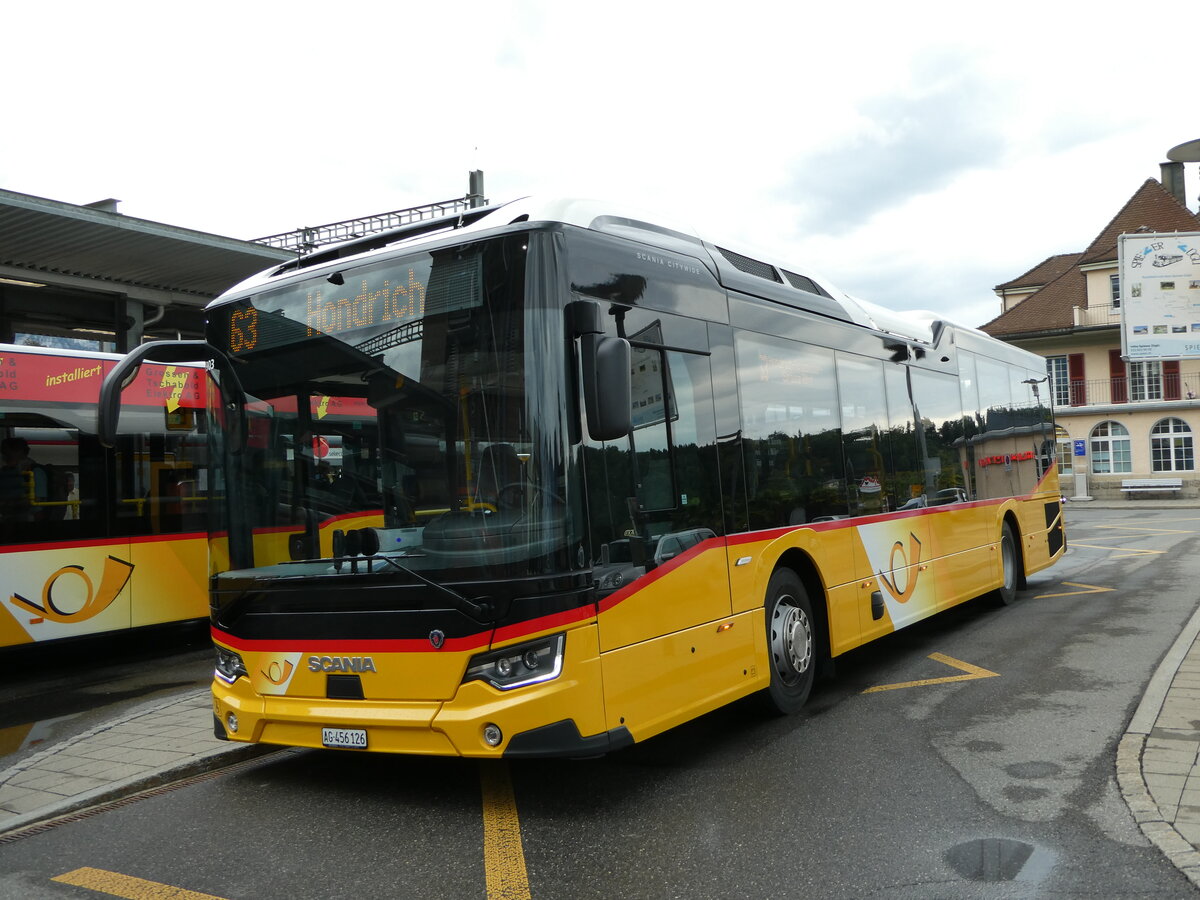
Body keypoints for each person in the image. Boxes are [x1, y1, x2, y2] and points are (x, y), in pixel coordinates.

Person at [0, 437, 47, 522]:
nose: (3, 455)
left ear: (19, 452)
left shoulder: (35, 471)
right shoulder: (7, 471)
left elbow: (38, 504)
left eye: (7, 453)